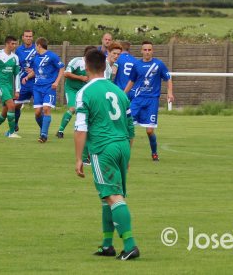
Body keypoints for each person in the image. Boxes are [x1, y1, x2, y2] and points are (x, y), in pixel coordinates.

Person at [74, 48, 138, 260]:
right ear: (105, 66)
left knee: (112, 196)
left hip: (103, 148)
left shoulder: (85, 92)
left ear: (86, 66)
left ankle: (130, 245)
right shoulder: (119, 91)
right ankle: (107, 245)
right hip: (122, 146)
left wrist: (78, 158)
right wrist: (127, 154)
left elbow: (81, 128)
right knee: (106, 197)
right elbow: (130, 127)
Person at [123, 41, 174, 162]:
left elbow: (168, 79)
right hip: (138, 100)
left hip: (152, 101)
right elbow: (131, 81)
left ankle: (154, 153)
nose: (147, 52)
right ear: (141, 51)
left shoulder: (159, 64)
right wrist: (123, 94)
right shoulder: (137, 65)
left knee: (149, 130)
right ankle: (125, 154)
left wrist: (170, 93)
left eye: (149, 50)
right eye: (145, 50)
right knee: (128, 126)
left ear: (152, 51)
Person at [26, 37, 64, 143]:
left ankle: (43, 135)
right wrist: (27, 77)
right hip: (37, 87)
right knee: (38, 113)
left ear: (39, 45)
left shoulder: (52, 56)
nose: (35, 47)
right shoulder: (35, 57)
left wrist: (56, 82)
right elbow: (35, 71)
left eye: (35, 45)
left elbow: (61, 68)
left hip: (49, 87)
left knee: (46, 109)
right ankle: (44, 130)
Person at [56, 45, 97, 138]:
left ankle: (89, 132)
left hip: (84, 91)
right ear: (87, 54)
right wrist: (81, 77)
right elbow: (66, 73)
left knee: (91, 111)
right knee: (73, 108)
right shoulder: (77, 61)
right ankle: (60, 130)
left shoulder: (94, 65)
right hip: (72, 89)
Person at [0, 35, 22, 138]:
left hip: (9, 86)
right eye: (12, 43)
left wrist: (17, 90)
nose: (14, 46)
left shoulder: (15, 58)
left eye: (16, 44)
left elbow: (17, 75)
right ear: (7, 44)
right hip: (0, 84)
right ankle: (11, 133)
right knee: (12, 106)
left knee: (5, 111)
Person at [13, 29, 36, 132]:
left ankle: (43, 132)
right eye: (26, 36)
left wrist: (34, 69)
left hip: (36, 81)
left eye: (30, 36)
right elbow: (16, 65)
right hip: (23, 82)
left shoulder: (37, 49)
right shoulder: (18, 50)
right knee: (17, 104)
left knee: (40, 107)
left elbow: (42, 63)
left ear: (33, 37)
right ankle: (15, 124)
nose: (28, 38)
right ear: (23, 37)